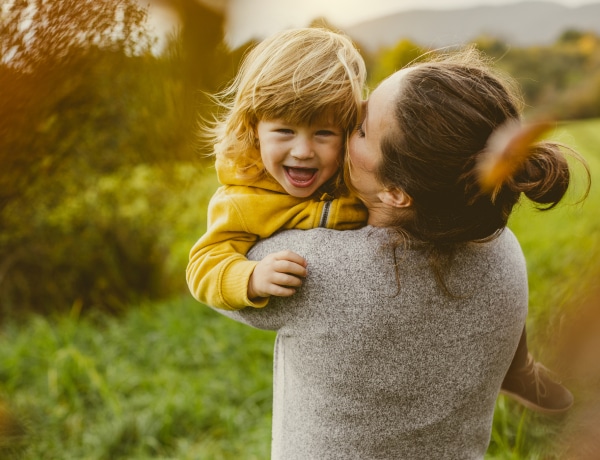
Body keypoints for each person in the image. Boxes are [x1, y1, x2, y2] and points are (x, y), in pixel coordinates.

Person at [200, 47, 590, 458]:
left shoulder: (309, 268)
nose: (351, 117)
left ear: (396, 193)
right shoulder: (502, 248)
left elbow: (218, 269)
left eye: (361, 128)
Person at [186, 27, 367, 311]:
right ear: (253, 128)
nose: (303, 152)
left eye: (323, 133)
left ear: (346, 133)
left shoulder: (358, 175)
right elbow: (202, 266)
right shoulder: (242, 200)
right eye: (285, 131)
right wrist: (251, 278)